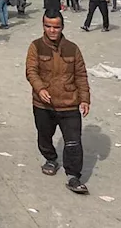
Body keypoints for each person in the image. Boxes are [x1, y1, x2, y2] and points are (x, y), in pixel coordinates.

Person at [26, 10, 91, 195]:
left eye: (56, 27)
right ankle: (50, 158)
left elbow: (81, 75)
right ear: (43, 26)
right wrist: (40, 89)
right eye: (48, 26)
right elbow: (31, 71)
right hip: (43, 104)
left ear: (62, 27)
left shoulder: (72, 48)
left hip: (69, 103)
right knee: (44, 135)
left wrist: (85, 98)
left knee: (73, 142)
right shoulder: (35, 47)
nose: (52, 30)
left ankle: (73, 176)